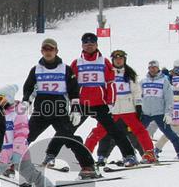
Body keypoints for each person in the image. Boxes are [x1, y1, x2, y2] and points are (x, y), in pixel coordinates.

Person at [21, 37, 98, 179]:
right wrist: (26, 102)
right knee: (25, 136)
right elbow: (29, 89)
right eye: (45, 49)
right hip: (41, 111)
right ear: (41, 51)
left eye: (51, 49)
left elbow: (73, 92)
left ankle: (88, 166)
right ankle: (11, 163)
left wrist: (75, 110)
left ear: (56, 51)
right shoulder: (36, 70)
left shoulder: (66, 69)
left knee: (70, 139)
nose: (48, 52)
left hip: (60, 112)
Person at [56, 32, 137, 165]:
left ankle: (129, 155)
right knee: (66, 129)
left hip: (100, 104)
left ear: (96, 45)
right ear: (82, 45)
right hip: (82, 104)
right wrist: (72, 105)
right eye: (86, 43)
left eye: (92, 43)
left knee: (114, 130)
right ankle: (51, 155)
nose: (89, 46)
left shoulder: (104, 62)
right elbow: (71, 86)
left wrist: (110, 102)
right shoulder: (76, 63)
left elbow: (111, 83)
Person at [83, 50, 156, 164]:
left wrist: (138, 105)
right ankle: (84, 154)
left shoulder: (130, 73)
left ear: (124, 60)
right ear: (112, 60)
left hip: (128, 108)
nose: (118, 61)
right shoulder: (107, 72)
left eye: (121, 58)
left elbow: (136, 91)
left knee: (140, 130)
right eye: (116, 59)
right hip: (112, 108)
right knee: (99, 131)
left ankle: (150, 153)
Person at [139, 60, 179, 159]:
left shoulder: (164, 81)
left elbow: (169, 99)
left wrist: (168, 113)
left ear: (158, 68)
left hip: (160, 112)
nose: (152, 70)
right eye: (151, 68)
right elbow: (138, 96)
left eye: (154, 67)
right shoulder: (143, 81)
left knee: (169, 133)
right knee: (138, 133)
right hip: (146, 113)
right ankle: (140, 154)